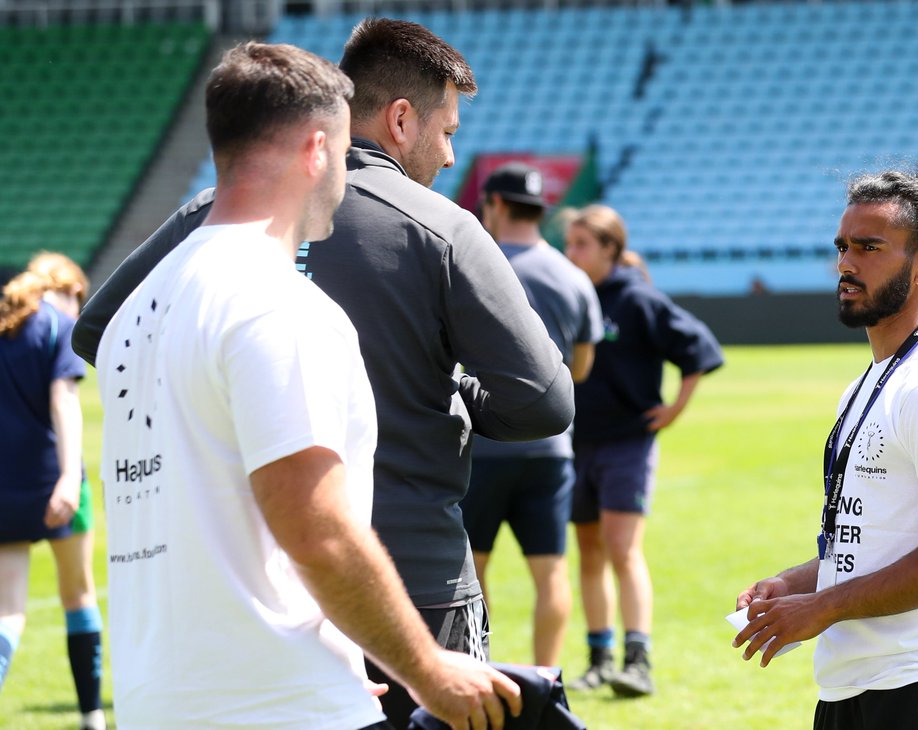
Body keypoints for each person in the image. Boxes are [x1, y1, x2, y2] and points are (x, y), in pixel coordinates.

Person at [73, 20, 570, 725]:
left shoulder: (199, 231)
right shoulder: (432, 230)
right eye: (448, 131)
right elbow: (542, 400)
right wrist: (445, 391)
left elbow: (100, 332)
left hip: (211, 612)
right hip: (401, 578)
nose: (451, 155)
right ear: (399, 120)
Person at [733, 169, 918, 730]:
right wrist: (795, 584)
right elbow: (872, 542)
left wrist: (824, 605)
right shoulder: (869, 384)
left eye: (869, 247)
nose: (846, 264)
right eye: (842, 247)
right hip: (847, 688)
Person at [563, 204, 724, 698]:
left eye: (582, 244)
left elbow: (699, 349)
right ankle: (599, 659)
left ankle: (638, 662)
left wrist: (675, 407)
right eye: (569, 244)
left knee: (622, 548)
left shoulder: (637, 299)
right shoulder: (570, 293)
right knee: (589, 551)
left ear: (610, 249)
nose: (571, 253)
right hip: (575, 442)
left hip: (626, 444)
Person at [461, 162, 603, 667]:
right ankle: (545, 681)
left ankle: (479, 672)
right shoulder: (572, 275)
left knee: (472, 570)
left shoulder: (475, 264)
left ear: (496, 204)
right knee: (551, 571)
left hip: (483, 445)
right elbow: (581, 368)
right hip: (550, 445)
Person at [0, 253, 105, 730]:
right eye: (78, 298)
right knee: (79, 596)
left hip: (6, 488)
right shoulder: (57, 326)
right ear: (66, 289)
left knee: (7, 612)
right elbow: (64, 402)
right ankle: (91, 718)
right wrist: (67, 477)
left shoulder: (6, 323)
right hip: (55, 482)